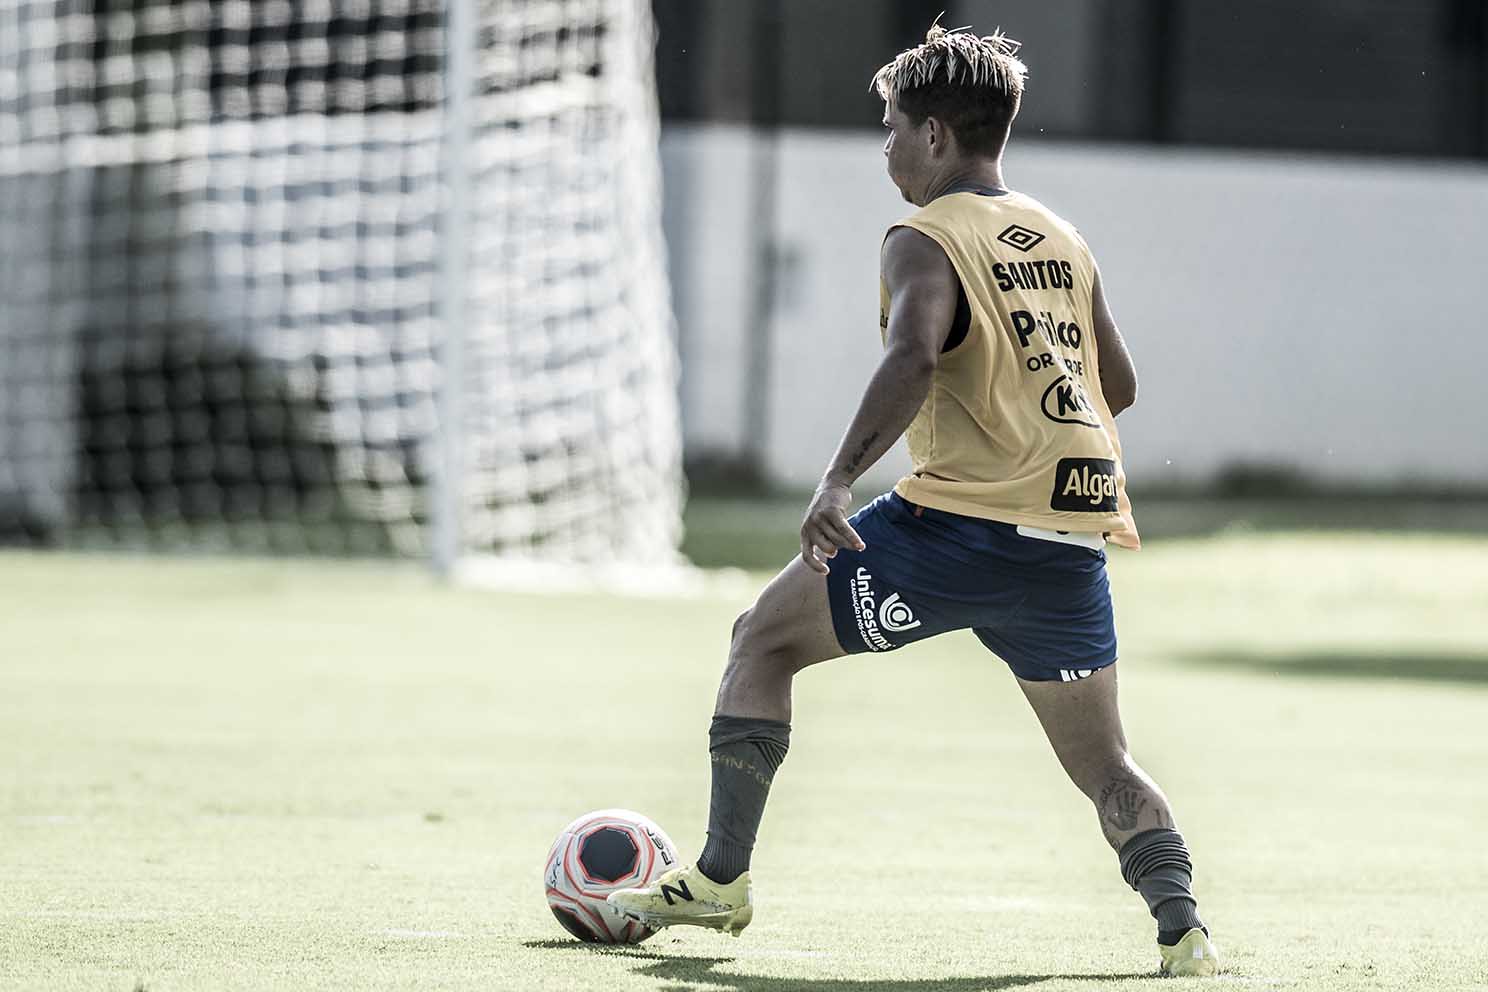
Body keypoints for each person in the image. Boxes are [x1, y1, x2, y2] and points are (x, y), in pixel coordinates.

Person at [609, 22, 1219, 978]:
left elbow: (911, 354)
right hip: (1066, 547)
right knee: (1105, 764)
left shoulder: (922, 236)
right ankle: (1183, 929)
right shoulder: (1062, 237)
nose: (885, 144)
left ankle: (722, 879)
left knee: (760, 640)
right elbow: (1121, 384)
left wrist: (838, 478)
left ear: (935, 134)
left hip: (952, 531)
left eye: (891, 124)